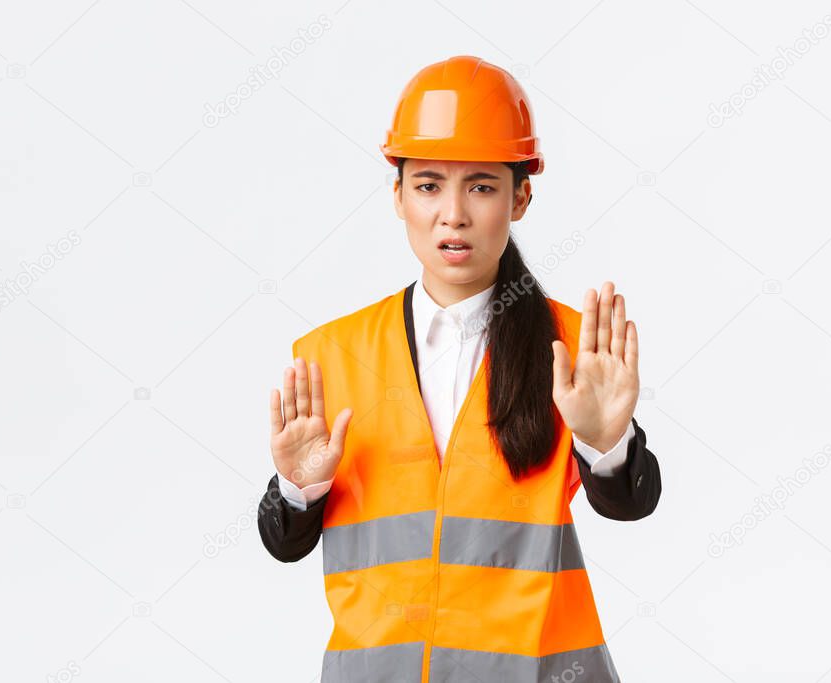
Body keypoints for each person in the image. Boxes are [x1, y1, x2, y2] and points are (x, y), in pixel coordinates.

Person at [257, 55, 661, 683]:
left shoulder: (572, 349)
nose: (453, 214)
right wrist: (298, 489)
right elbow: (285, 543)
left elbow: (632, 504)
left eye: (480, 185)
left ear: (520, 196)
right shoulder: (333, 355)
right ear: (397, 196)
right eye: (427, 185)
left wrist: (607, 443)